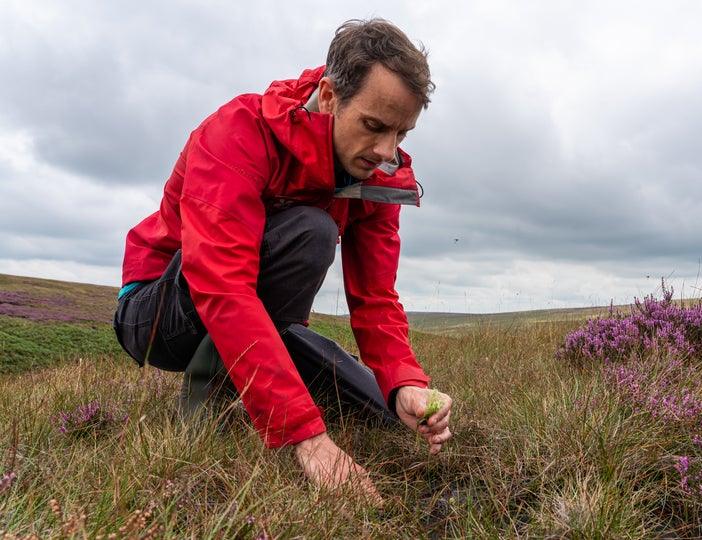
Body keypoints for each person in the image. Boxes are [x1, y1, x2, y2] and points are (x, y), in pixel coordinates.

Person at [111, 18, 452, 503]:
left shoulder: (378, 177)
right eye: (374, 126)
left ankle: (274, 382)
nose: (385, 151)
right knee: (312, 231)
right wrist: (307, 439)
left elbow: (375, 298)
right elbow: (222, 287)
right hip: (156, 315)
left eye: (401, 132)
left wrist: (405, 384)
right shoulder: (237, 132)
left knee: (383, 410)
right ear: (330, 97)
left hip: (257, 317)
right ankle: (208, 406)